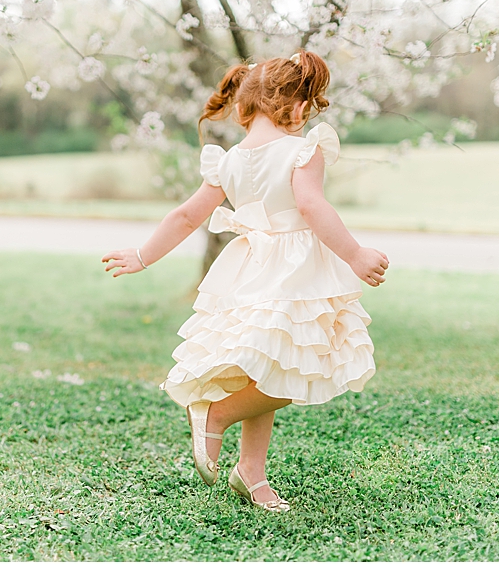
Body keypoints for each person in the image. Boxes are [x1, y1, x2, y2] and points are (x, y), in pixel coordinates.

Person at [102, 51, 387, 513]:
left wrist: (142, 255)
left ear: (242, 108)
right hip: (293, 272)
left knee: (270, 363)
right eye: (309, 107)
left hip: (250, 268)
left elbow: (187, 214)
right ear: (294, 109)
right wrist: (355, 255)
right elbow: (312, 208)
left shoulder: (229, 160)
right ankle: (215, 413)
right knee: (292, 370)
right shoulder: (303, 150)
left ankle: (251, 472)